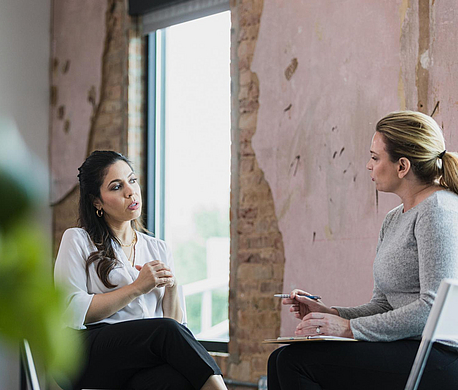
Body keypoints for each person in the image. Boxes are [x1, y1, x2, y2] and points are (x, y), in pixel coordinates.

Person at [268, 111, 458, 389]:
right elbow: (383, 305)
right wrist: (334, 313)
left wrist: (348, 329)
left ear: (402, 166)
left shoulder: (438, 211)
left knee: (294, 361)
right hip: (405, 347)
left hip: (439, 356)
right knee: (279, 358)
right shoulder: (394, 218)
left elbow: (431, 310)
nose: (368, 166)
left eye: (375, 157)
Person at [54, 150, 226, 390]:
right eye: (116, 187)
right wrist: (137, 287)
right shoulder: (78, 239)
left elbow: (175, 326)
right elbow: (72, 310)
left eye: (132, 180)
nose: (130, 191)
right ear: (97, 201)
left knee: (178, 380)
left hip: (139, 361)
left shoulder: (158, 248)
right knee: (165, 333)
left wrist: (173, 287)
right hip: (84, 354)